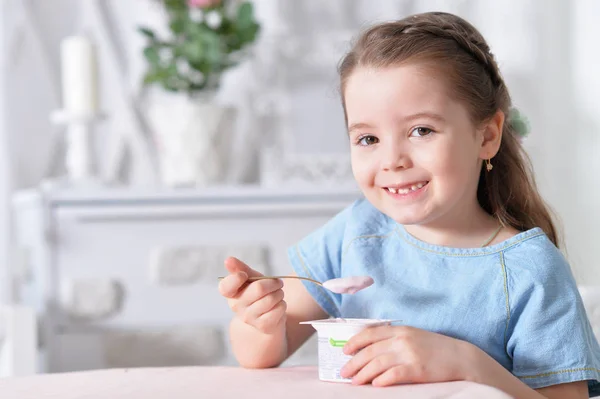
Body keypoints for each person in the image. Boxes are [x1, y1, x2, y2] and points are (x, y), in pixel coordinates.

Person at [218, 11, 600, 399]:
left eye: (421, 130)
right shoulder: (355, 233)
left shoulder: (530, 271)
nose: (392, 160)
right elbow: (263, 353)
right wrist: (261, 323)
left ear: (487, 136)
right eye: (368, 139)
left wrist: (465, 362)